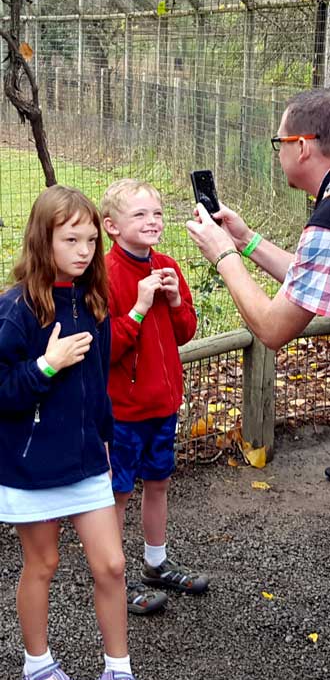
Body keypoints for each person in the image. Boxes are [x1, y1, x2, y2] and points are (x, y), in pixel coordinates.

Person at [0, 185, 142, 680]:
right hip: (30, 464)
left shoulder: (93, 300)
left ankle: (118, 671)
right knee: (44, 563)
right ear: (43, 239)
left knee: (112, 564)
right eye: (70, 239)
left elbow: (98, 388)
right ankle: (38, 669)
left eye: (90, 239)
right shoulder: (14, 310)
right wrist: (46, 365)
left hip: (86, 459)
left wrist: (106, 442)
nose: (84, 251)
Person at [100, 178, 209, 616]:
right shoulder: (105, 276)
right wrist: (139, 308)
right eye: (140, 214)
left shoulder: (166, 265)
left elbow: (185, 332)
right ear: (111, 226)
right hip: (123, 412)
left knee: (159, 483)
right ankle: (113, 579)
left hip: (164, 405)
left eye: (158, 213)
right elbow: (103, 349)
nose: (152, 221)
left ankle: (155, 564)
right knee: (118, 493)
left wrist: (177, 299)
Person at [186, 87, 330, 396]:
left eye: (280, 143)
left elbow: (272, 328)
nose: (278, 153)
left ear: (302, 146)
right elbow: (315, 278)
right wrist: (246, 240)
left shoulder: (326, 223)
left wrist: (223, 255)